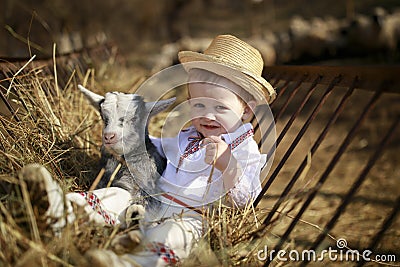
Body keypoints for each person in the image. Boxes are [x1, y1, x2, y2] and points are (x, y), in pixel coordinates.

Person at [18, 34, 276, 266]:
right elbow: (160, 147)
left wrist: (227, 164)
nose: (207, 115)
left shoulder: (245, 149)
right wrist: (131, 138)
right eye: (199, 105)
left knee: (172, 236)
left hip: (193, 218)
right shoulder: (188, 136)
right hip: (149, 202)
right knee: (115, 197)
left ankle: (126, 263)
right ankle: (59, 210)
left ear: (247, 108)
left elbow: (246, 200)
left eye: (220, 108)